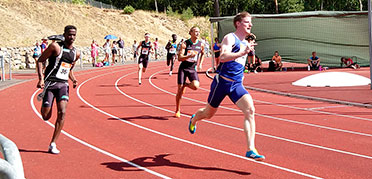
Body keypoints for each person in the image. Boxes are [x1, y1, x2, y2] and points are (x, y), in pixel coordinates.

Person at [187, 12, 265, 161]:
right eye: (247, 22)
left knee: (250, 110)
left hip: (236, 85)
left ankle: (250, 149)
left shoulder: (245, 42)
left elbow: (240, 61)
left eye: (251, 22)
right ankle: (194, 119)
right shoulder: (230, 38)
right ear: (238, 23)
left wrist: (247, 52)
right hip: (222, 83)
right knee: (208, 114)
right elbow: (223, 57)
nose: (251, 25)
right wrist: (242, 52)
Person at [36, 25, 80, 154]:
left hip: (63, 85)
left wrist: (73, 79)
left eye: (74, 35)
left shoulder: (76, 53)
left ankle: (53, 143)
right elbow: (40, 61)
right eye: (69, 34)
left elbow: (69, 68)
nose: (71, 37)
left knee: (63, 112)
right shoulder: (55, 47)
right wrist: (41, 79)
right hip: (50, 84)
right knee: (46, 115)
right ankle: (45, 106)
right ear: (64, 34)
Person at [175, 26, 205, 118]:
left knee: (196, 86)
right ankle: (177, 110)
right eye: (195, 31)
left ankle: (186, 84)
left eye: (198, 32)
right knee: (180, 91)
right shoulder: (185, 44)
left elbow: (203, 53)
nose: (197, 33)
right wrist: (188, 56)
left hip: (192, 68)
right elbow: (179, 58)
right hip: (184, 68)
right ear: (191, 32)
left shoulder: (201, 44)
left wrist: (200, 64)